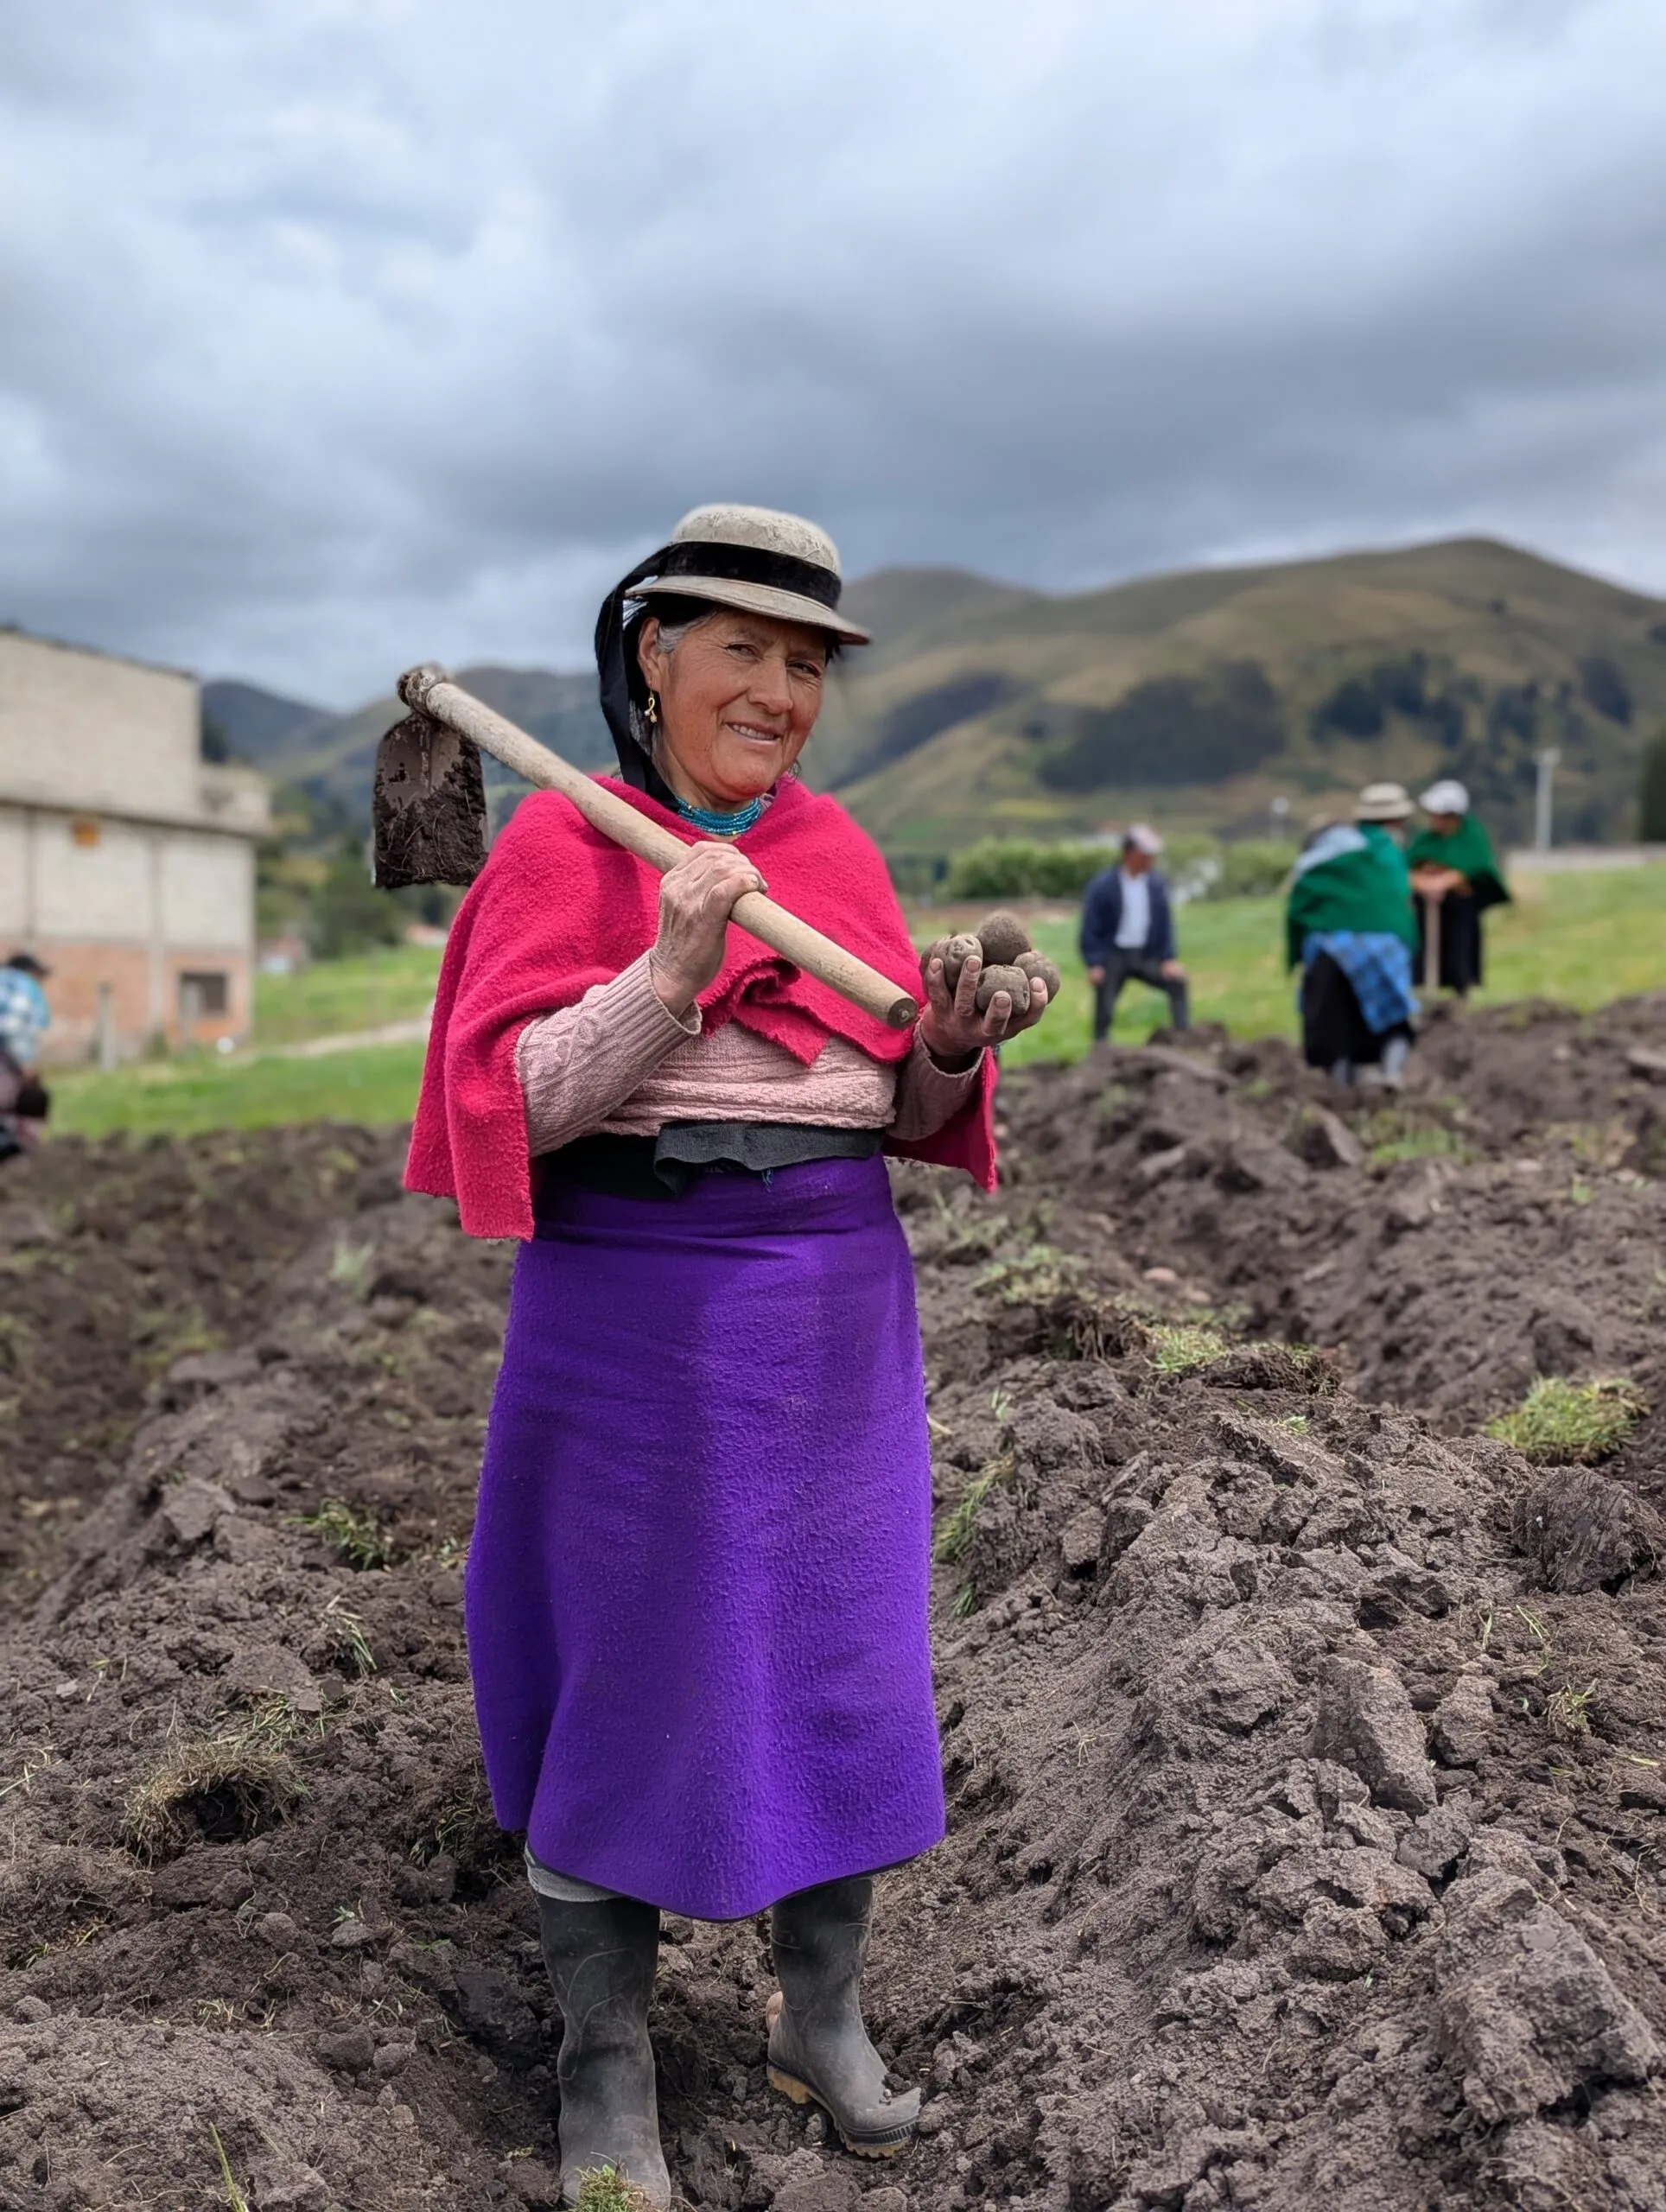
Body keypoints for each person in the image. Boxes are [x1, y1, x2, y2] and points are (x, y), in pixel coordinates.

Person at [406, 505, 1049, 2206]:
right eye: (741, 651)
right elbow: (517, 1104)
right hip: (627, 1304)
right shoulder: (562, 844)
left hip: (830, 1306)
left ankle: (816, 2018)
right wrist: (673, 965)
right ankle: (603, 2065)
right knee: (618, 1659)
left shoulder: (829, 848)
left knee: (839, 1654)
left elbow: (885, 1107)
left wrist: (950, 1045)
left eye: (804, 663)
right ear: (654, 657)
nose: (774, 688)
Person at [1286, 784, 1419, 1087]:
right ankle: (1391, 1072)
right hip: (1384, 945)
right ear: (1397, 821)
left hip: (1328, 947)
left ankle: (1340, 1086)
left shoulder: (1325, 854)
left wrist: (1297, 954)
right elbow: (1400, 902)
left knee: (1334, 1026)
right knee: (1394, 1019)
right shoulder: (1388, 852)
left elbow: (1300, 905)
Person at [1079, 824, 1189, 1040]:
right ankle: (1100, 1048)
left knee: (1178, 983)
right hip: (1114, 955)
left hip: (1145, 955)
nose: (1150, 860)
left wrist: (1168, 959)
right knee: (1105, 1002)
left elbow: (1165, 924)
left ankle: (1183, 1037)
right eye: (1146, 855)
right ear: (1130, 853)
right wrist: (1094, 964)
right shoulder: (1103, 886)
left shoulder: (1156, 886)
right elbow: (1091, 926)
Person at [1407, 779, 1509, 996]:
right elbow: (1408, 866)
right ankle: (1425, 992)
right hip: (1427, 908)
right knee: (1424, 955)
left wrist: (1445, 881)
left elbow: (1477, 869)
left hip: (1460, 909)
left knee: (1459, 955)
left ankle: (1460, 993)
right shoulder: (1426, 839)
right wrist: (1423, 881)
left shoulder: (1471, 836)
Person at [0, 951, 52, 1163]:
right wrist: (24, 1063)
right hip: (6, 1056)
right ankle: (19, 1156)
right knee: (23, 1102)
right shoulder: (19, 987)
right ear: (30, 972)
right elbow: (11, 1027)